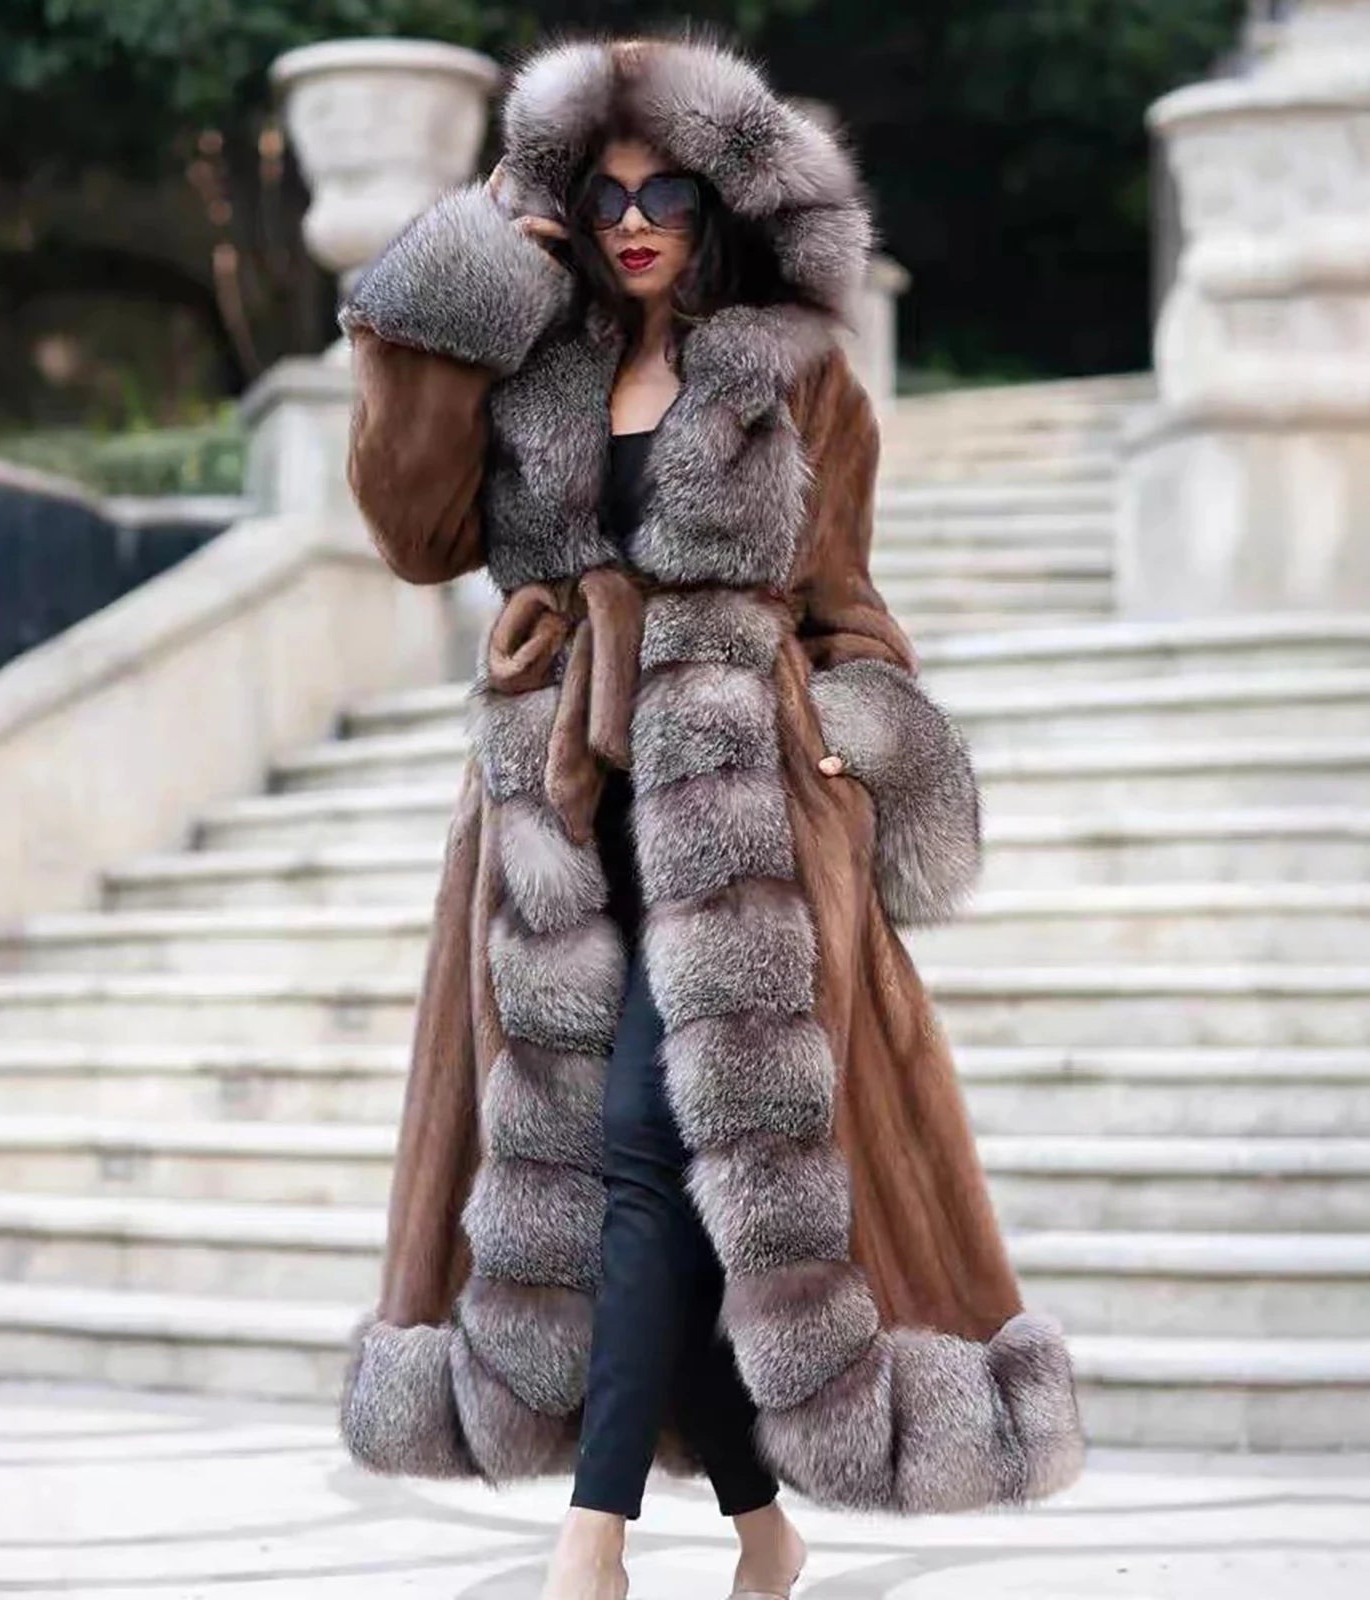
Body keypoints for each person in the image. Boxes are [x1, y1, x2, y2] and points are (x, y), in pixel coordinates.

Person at [336, 31, 1085, 1600]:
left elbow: (853, 608)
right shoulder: (532, 366)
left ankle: (590, 1543)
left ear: (723, 199)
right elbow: (411, 530)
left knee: (636, 1145)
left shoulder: (801, 381)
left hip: (742, 821)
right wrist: (476, 264)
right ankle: (759, 1525)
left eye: (664, 186)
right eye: (600, 194)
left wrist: (859, 742)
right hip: (555, 818)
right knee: (651, 1173)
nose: (634, 218)